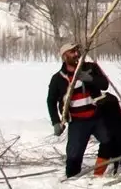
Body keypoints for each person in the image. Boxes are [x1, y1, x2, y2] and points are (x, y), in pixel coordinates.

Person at [46, 42, 113, 178]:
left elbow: (104, 85)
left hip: (97, 116)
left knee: (109, 141)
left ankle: (98, 174)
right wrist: (56, 122)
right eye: (72, 52)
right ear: (64, 57)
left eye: (77, 51)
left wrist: (89, 78)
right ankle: (72, 179)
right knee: (73, 155)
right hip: (77, 121)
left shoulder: (90, 68)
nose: (76, 54)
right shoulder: (58, 78)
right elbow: (51, 101)